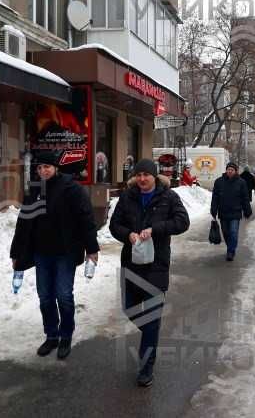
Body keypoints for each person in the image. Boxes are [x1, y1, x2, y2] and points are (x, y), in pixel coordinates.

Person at [10, 151, 99, 360]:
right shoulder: (34, 191)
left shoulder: (72, 189)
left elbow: (86, 220)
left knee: (64, 296)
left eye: (47, 167)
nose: (43, 171)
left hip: (65, 253)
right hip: (41, 253)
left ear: (56, 167)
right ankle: (51, 335)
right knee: (45, 297)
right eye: (39, 168)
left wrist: (92, 249)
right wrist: (16, 253)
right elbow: (23, 223)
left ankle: (66, 335)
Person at [110, 159, 190, 388]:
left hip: (157, 265)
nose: (143, 179)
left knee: (152, 317)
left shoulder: (168, 197)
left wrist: (156, 230)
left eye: (147, 175)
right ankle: (151, 334)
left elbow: (182, 222)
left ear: (154, 176)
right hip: (132, 264)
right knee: (130, 309)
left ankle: (146, 367)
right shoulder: (127, 196)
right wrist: (129, 235)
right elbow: (114, 225)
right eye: (139, 175)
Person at [211, 162, 252, 261]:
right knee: (225, 232)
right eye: (228, 169)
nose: (229, 171)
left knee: (233, 232)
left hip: (235, 212)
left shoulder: (241, 182)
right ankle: (230, 247)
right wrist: (213, 209)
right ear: (226, 170)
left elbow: (245, 198)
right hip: (223, 212)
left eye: (232, 170)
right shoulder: (219, 182)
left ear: (235, 171)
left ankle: (230, 251)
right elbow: (215, 197)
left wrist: (247, 210)